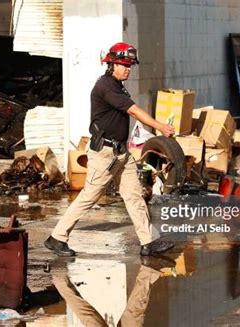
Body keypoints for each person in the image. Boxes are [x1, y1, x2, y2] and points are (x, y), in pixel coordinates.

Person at [44, 42, 175, 257]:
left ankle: (148, 241)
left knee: (134, 196)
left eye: (130, 65)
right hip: (105, 154)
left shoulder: (116, 85)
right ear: (111, 64)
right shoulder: (106, 86)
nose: (128, 69)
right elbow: (133, 111)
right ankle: (57, 237)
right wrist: (159, 126)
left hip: (121, 153)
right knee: (89, 196)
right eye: (123, 64)